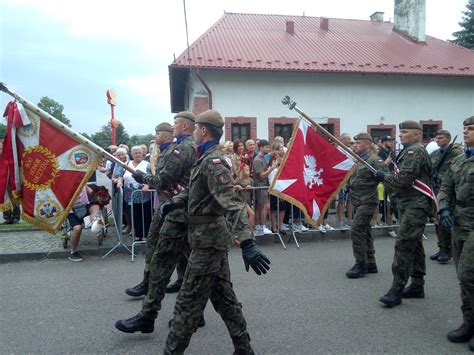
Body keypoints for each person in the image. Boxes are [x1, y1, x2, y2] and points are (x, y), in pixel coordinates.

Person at [162, 109, 270, 354]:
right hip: (205, 238)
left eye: (196, 129)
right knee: (224, 298)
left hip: (208, 241)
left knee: (188, 301)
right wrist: (174, 202)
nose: (194, 133)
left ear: (202, 130)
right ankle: (243, 348)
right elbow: (194, 192)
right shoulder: (204, 158)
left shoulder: (213, 162)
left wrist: (247, 242)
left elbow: (232, 203)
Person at [115, 112, 201, 333]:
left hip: (176, 210)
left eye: (174, 124)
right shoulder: (178, 147)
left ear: (184, 125)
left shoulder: (183, 148)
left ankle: (149, 314)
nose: (173, 128)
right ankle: (193, 312)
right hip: (171, 207)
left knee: (162, 261)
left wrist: (141, 177)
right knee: (186, 260)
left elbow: (164, 179)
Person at [373, 120, 433, 307]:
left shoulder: (414, 151)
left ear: (417, 135)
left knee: (404, 244)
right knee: (414, 245)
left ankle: (396, 288)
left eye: (405, 132)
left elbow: (404, 178)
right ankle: (417, 285)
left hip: (416, 204)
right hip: (409, 203)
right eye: (400, 132)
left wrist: (385, 177)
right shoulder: (407, 150)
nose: (400, 135)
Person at [438, 116, 474, 350]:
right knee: (463, 277)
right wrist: (444, 207)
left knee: (468, 274)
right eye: (465, 129)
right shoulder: (460, 160)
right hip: (459, 222)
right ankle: (469, 322)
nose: (467, 132)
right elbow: (445, 187)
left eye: (471, 129)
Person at [345, 133, 382, 278]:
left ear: (367, 144)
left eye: (358, 143)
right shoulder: (359, 160)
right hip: (357, 201)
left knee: (356, 229)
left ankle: (360, 264)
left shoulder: (373, 160)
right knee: (365, 231)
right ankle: (371, 263)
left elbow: (386, 177)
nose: (355, 146)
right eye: (354, 143)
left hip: (367, 201)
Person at [428, 129, 463, 264]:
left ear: (448, 138)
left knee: (445, 220)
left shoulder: (456, 154)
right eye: (437, 139)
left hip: (449, 193)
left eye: (441, 138)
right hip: (435, 191)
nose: (438, 141)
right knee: (437, 220)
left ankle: (449, 250)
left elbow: (457, 172)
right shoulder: (435, 154)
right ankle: (442, 247)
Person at [117, 146, 152, 241]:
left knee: (145, 215)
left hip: (144, 195)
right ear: (131, 154)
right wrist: (120, 181)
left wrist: (147, 185)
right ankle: (138, 234)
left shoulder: (147, 164)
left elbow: (152, 177)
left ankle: (145, 234)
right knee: (134, 215)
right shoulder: (127, 164)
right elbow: (120, 175)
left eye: (140, 153)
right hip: (130, 196)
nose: (138, 155)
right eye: (136, 153)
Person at [67, 185, 103, 262]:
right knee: (77, 228)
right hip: (71, 210)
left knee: (96, 206)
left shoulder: (82, 181)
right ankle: (73, 252)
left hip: (85, 205)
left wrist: (100, 195)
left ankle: (95, 222)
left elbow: (92, 193)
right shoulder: (66, 183)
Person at [252, 139, 277, 235]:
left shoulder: (263, 158)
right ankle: (262, 226)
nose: (268, 149)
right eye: (266, 147)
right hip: (260, 186)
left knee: (260, 207)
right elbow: (262, 175)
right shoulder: (257, 159)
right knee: (265, 206)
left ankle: (259, 226)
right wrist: (272, 168)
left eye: (268, 147)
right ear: (261, 147)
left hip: (264, 186)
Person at [337, 133, 353, 229]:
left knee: (350, 200)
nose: (350, 141)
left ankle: (349, 220)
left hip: (350, 178)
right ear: (342, 140)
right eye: (348, 139)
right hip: (341, 179)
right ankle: (340, 221)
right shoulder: (337, 150)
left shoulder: (350, 151)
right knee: (341, 200)